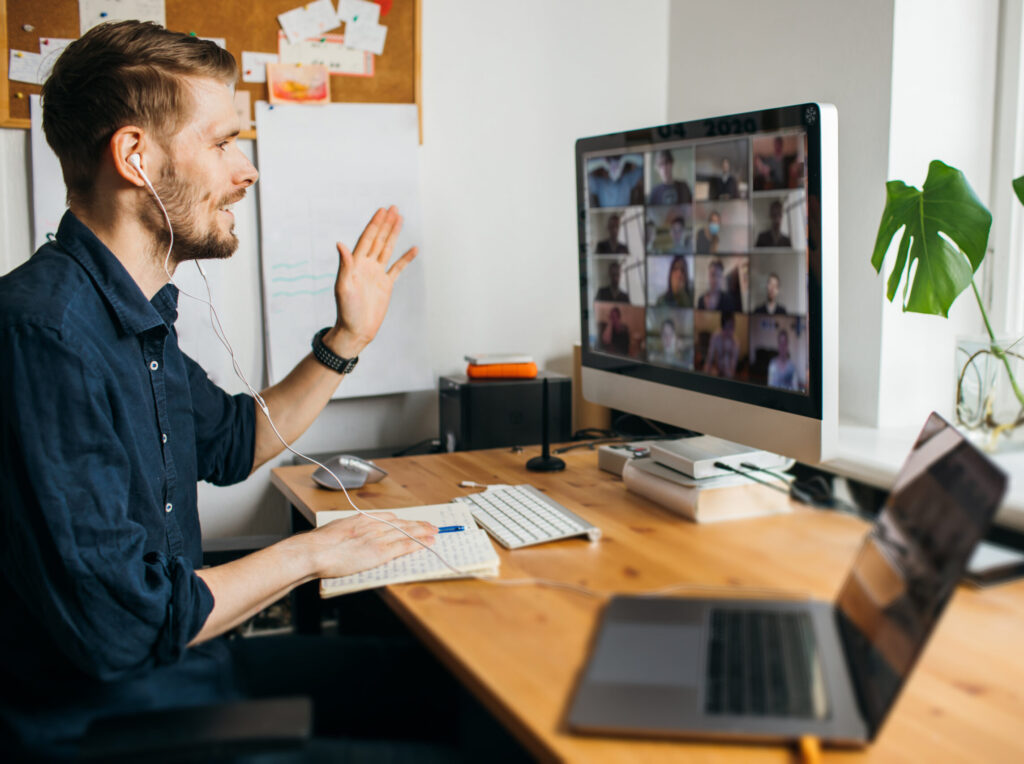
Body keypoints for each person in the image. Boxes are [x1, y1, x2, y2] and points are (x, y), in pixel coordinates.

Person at [0, 22, 454, 760]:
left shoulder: (130, 313)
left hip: (185, 674)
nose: (245, 171)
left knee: (449, 694)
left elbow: (235, 442)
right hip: (106, 727)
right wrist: (311, 555)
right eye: (221, 143)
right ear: (135, 157)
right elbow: (125, 629)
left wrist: (347, 341)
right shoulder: (45, 336)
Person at [703, 311, 739, 378]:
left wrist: (728, 372)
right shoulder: (715, 337)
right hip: (715, 370)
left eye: (731, 327)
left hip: (728, 374)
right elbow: (709, 358)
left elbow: (733, 369)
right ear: (722, 326)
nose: (729, 331)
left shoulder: (735, 343)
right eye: (727, 327)